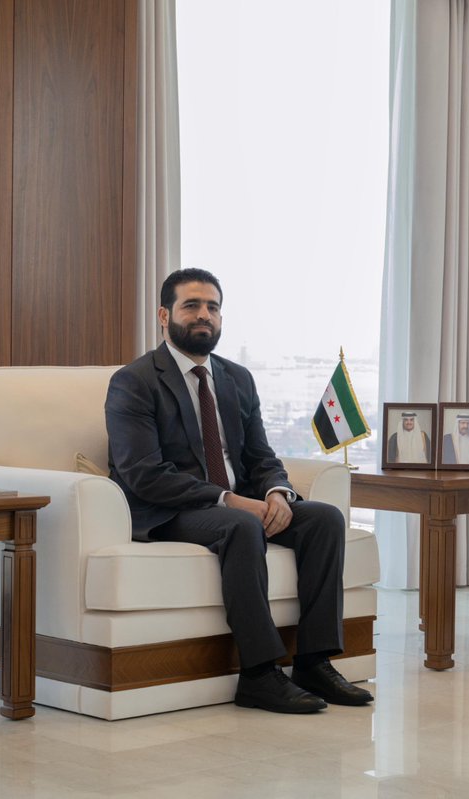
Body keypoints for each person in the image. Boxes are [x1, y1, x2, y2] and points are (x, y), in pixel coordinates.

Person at [105, 268, 373, 715]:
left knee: (324, 519)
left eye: (212, 307)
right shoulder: (134, 381)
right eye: (192, 305)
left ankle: (313, 661)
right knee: (240, 526)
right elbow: (142, 472)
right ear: (163, 315)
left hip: (241, 502)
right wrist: (230, 500)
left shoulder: (236, 379)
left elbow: (262, 455)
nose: (203, 315)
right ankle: (258, 674)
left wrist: (277, 494)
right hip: (168, 509)